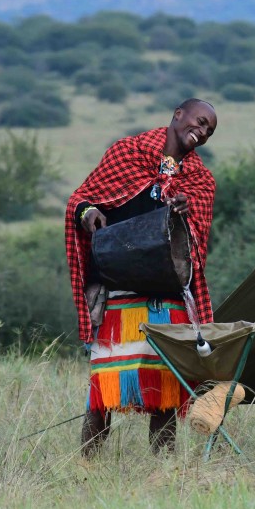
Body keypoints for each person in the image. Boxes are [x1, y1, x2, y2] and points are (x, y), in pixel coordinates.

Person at [65, 99, 218, 456]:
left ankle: (161, 468)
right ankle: (87, 465)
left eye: (210, 130)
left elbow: (195, 244)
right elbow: (81, 200)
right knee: (103, 389)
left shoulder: (199, 180)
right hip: (116, 291)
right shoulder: (126, 153)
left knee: (164, 390)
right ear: (178, 114)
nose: (203, 131)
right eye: (200, 121)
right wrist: (89, 214)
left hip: (165, 296)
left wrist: (184, 210)